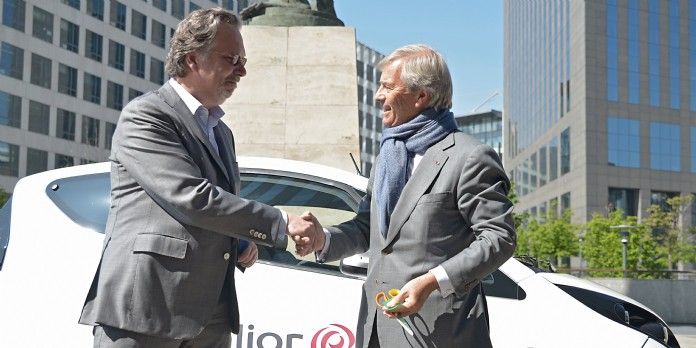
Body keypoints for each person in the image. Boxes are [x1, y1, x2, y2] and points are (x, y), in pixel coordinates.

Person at [79, 8, 316, 347]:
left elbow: (209, 212)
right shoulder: (147, 115)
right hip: (147, 309)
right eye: (232, 58)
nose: (242, 71)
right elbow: (190, 197)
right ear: (192, 59)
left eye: (243, 60)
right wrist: (280, 222)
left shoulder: (222, 133)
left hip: (210, 315)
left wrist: (238, 240)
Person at [298, 44, 516, 347]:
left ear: (421, 97)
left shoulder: (470, 157)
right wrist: (323, 239)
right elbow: (369, 229)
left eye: (387, 86)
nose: (377, 96)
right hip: (375, 329)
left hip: (439, 334)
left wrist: (432, 282)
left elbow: (499, 238)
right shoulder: (388, 155)